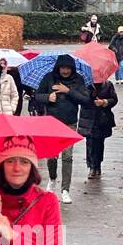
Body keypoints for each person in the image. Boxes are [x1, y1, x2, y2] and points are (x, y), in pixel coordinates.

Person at [32, 57, 87, 203]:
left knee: (67, 157)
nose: (65, 71)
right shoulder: (49, 78)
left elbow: (85, 99)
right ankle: (52, 178)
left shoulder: (78, 80)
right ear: (58, 68)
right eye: (62, 68)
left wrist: (68, 91)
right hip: (52, 123)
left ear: (72, 69)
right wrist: (47, 97)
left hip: (70, 123)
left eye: (68, 68)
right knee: (52, 156)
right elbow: (37, 96)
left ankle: (65, 189)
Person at [78, 76, 118, 178]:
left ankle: (98, 165)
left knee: (99, 143)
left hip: (102, 119)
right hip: (88, 118)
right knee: (90, 143)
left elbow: (114, 99)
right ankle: (91, 167)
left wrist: (104, 102)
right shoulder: (85, 85)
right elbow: (80, 99)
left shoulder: (108, 85)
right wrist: (90, 96)